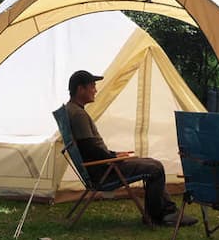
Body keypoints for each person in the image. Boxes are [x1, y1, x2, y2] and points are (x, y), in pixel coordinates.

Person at [64, 69, 196, 227]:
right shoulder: (78, 115)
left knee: (151, 163)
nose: (95, 90)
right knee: (155, 168)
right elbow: (89, 149)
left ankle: (166, 211)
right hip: (104, 172)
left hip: (101, 166)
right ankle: (160, 215)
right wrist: (113, 158)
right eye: (92, 86)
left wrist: (114, 154)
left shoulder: (71, 110)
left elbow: (89, 148)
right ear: (80, 89)